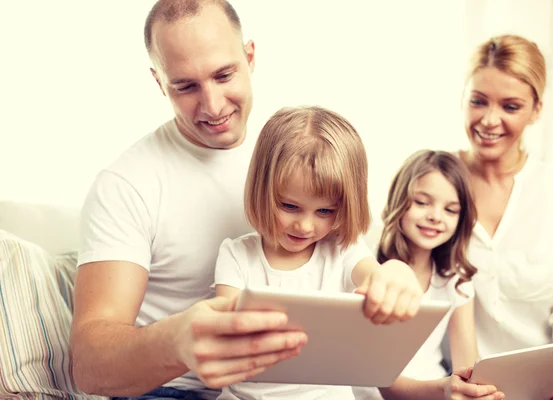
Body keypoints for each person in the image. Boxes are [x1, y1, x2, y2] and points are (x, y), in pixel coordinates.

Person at [70, 1, 310, 399]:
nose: (213, 106)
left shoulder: (296, 157)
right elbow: (90, 365)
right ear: (160, 83)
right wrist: (177, 342)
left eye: (223, 75)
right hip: (173, 391)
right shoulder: (126, 183)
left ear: (250, 57)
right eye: (185, 86)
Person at [213, 105, 424, 400]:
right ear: (262, 189)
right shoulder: (236, 255)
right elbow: (226, 333)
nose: (305, 225)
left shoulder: (342, 250)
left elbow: (376, 276)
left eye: (325, 210)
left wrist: (397, 272)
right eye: (289, 206)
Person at [457, 34, 553, 400]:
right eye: (478, 101)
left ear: (536, 110)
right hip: (458, 387)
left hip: (546, 389)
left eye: (510, 106)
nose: (489, 120)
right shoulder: (436, 184)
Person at [374, 150, 504, 400]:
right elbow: (380, 382)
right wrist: (444, 390)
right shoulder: (370, 271)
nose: (435, 216)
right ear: (399, 201)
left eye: (451, 210)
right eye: (422, 202)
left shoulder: (456, 281)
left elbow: (467, 369)